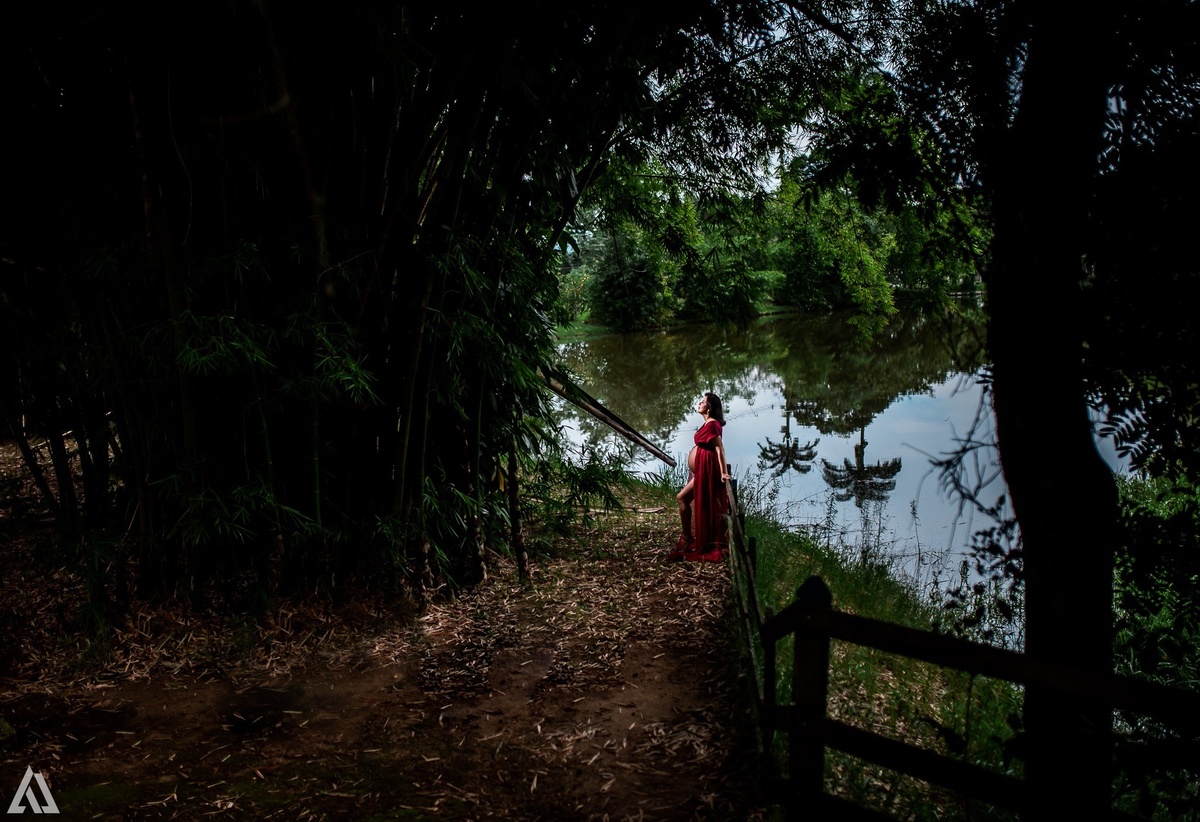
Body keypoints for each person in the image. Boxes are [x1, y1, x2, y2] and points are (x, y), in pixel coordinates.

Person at [669, 392, 731, 562]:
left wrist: (723, 471)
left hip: (707, 470)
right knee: (683, 499)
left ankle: (688, 536)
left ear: (709, 408)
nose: (699, 403)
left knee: (682, 498)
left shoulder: (712, 425)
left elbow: (719, 449)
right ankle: (687, 536)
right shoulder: (709, 423)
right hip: (703, 469)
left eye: (703, 402)